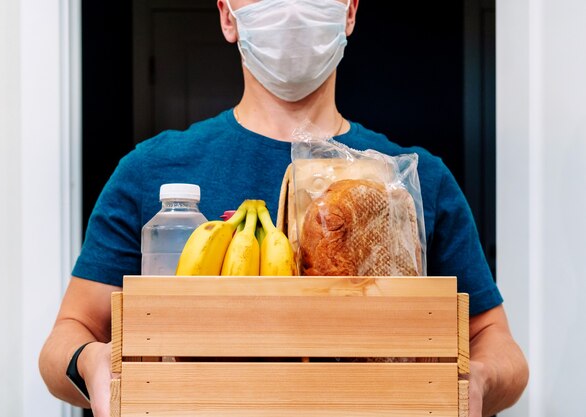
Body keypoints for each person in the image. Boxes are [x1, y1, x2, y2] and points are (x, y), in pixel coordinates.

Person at [39, 1, 529, 416]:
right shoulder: (149, 172)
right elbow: (68, 334)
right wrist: (91, 364)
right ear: (229, 17)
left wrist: (477, 381)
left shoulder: (412, 184)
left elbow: (497, 342)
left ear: (350, 13)